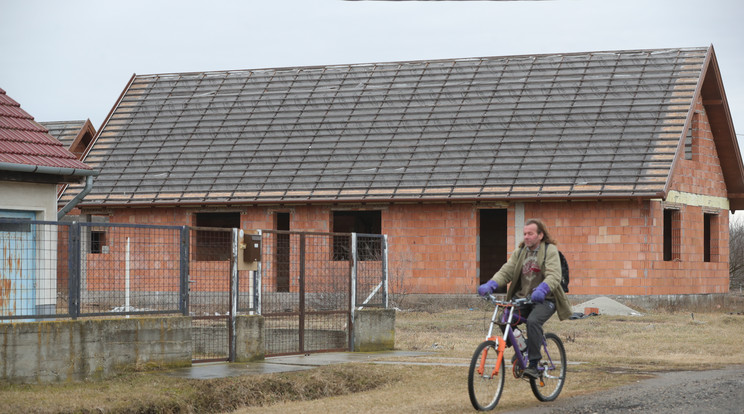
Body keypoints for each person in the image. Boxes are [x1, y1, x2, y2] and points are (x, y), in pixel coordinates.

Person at [477, 218, 571, 379]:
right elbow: (506, 271)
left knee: (534, 322)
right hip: (523, 300)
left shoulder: (550, 250)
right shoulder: (520, 252)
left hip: (546, 299)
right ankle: (523, 350)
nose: (526, 237)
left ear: (540, 235)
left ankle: (533, 365)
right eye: (525, 234)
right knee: (504, 318)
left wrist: (542, 289)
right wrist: (491, 284)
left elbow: (554, 274)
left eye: (530, 233)